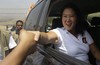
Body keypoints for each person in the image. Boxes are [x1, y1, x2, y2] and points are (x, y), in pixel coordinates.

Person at [32, 3, 100, 64]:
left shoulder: (84, 32)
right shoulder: (58, 32)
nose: (68, 20)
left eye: (71, 16)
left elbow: (95, 52)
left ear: (77, 19)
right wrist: (39, 35)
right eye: (65, 16)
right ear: (61, 18)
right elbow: (47, 37)